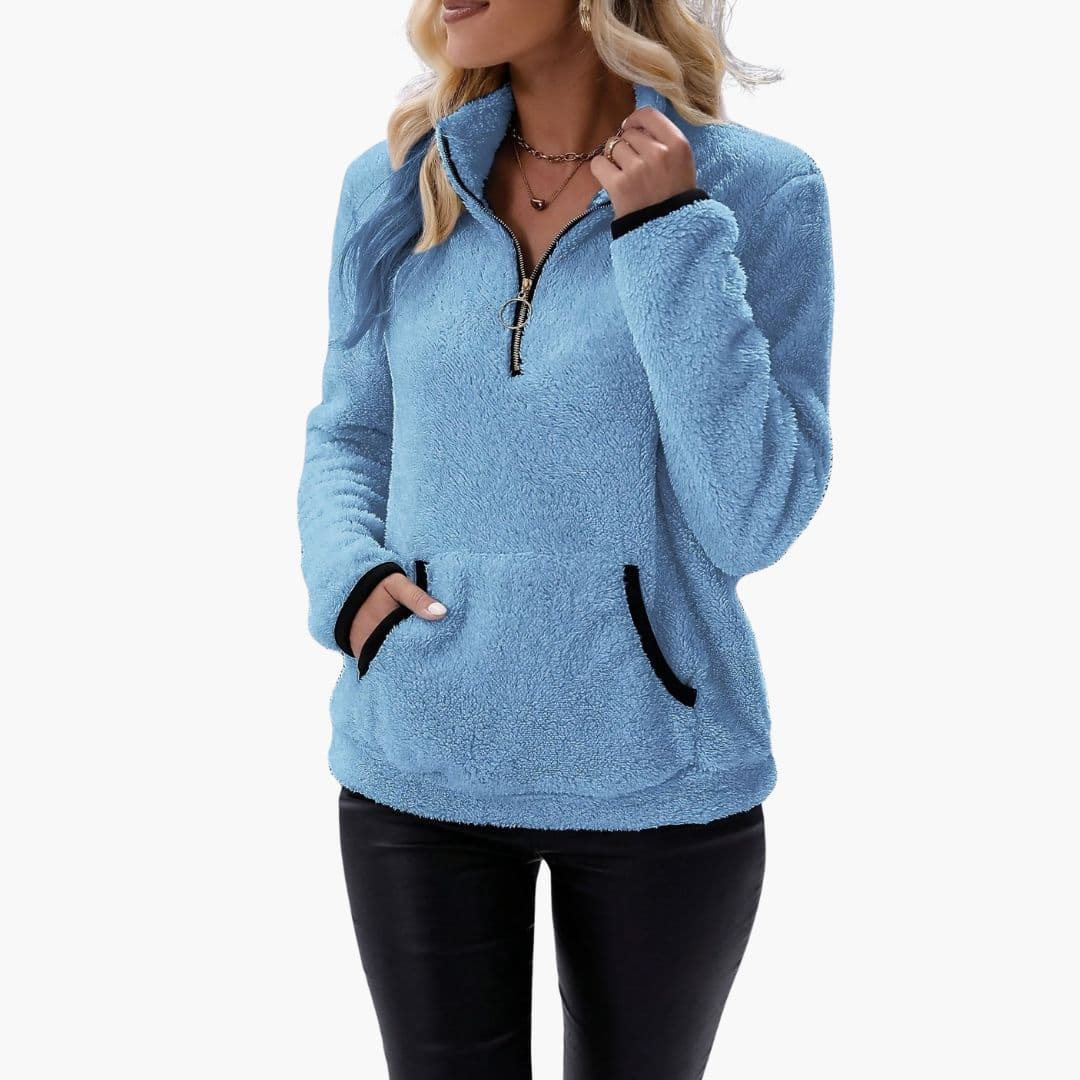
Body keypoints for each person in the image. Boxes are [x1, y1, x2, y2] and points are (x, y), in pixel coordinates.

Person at [296, 1, 834, 1076]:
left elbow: (755, 515)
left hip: (661, 768)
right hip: (422, 758)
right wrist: (354, 588)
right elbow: (350, 433)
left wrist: (669, 231)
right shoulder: (398, 185)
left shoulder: (760, 191)